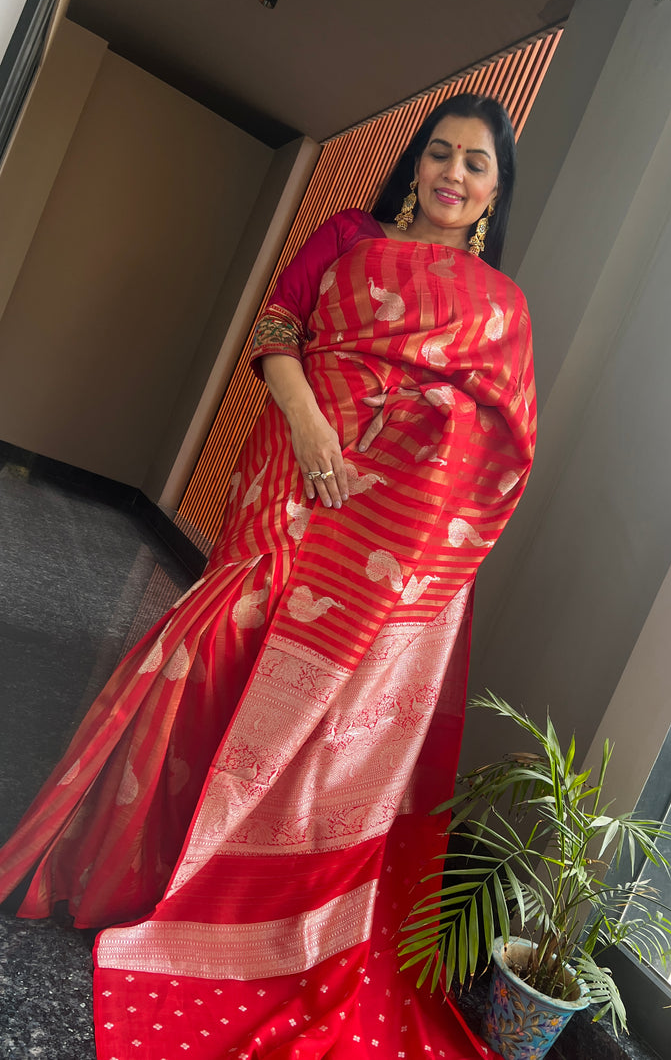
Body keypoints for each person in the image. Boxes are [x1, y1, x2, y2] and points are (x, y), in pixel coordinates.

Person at [0, 92, 536, 1059]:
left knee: (295, 695)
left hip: (390, 521)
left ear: (496, 191)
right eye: (442, 154)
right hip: (294, 464)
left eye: (476, 164)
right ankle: (123, 866)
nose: (454, 174)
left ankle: (218, 891)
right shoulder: (345, 233)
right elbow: (277, 332)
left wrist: (423, 430)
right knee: (214, 638)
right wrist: (314, 422)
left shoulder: (499, 309)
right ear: (416, 164)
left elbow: (503, 440)